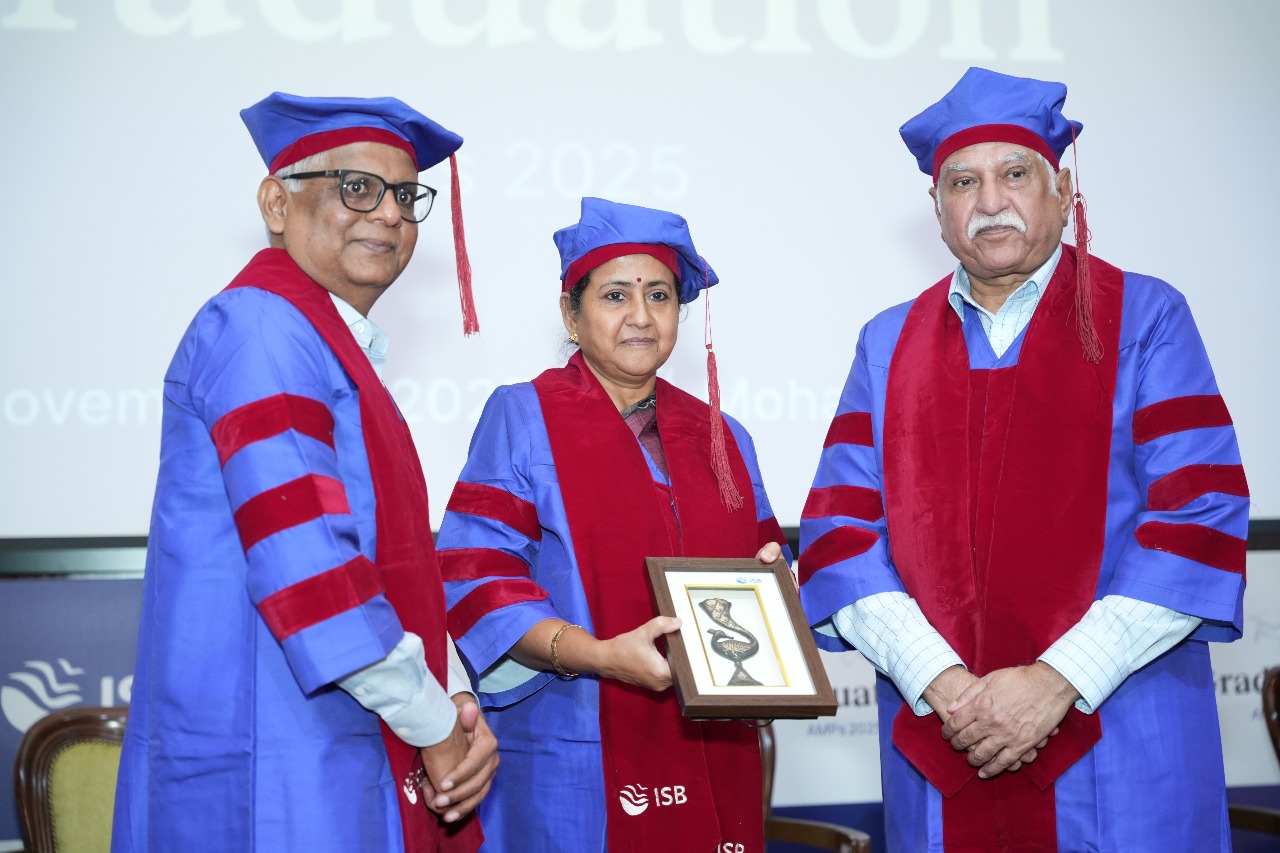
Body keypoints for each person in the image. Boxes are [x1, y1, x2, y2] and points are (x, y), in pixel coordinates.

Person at [799, 67, 1248, 851]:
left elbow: (1197, 518)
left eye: (1015, 174)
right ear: (936, 209)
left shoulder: (1144, 318)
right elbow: (842, 538)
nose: (990, 201)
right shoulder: (887, 344)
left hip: (1120, 740)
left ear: (1063, 190)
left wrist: (1054, 683)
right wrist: (946, 688)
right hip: (943, 743)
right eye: (964, 182)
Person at [112, 92, 496, 852]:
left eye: (406, 195)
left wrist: (452, 699)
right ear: (276, 203)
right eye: (357, 188)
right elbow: (309, 560)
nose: (389, 214)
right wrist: (432, 721)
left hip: (335, 736)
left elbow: (392, 559)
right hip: (273, 751)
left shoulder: (331, 345)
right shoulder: (260, 326)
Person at [435, 197, 791, 852]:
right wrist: (597, 654)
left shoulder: (723, 436)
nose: (640, 315)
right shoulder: (523, 415)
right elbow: (476, 574)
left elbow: (764, 565)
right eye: (615, 295)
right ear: (571, 313)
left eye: (659, 294)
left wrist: (776, 603)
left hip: (712, 748)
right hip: (577, 752)